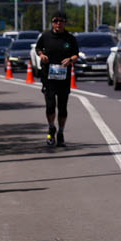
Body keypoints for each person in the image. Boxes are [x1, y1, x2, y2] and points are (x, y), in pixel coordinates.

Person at [35, 10, 79, 147]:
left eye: (61, 21)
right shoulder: (45, 36)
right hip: (48, 76)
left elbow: (76, 54)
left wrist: (70, 59)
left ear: (65, 23)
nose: (58, 23)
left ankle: (60, 132)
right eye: (55, 21)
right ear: (52, 23)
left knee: (62, 107)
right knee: (50, 106)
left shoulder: (70, 38)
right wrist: (41, 55)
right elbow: (38, 49)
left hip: (63, 77)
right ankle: (51, 128)